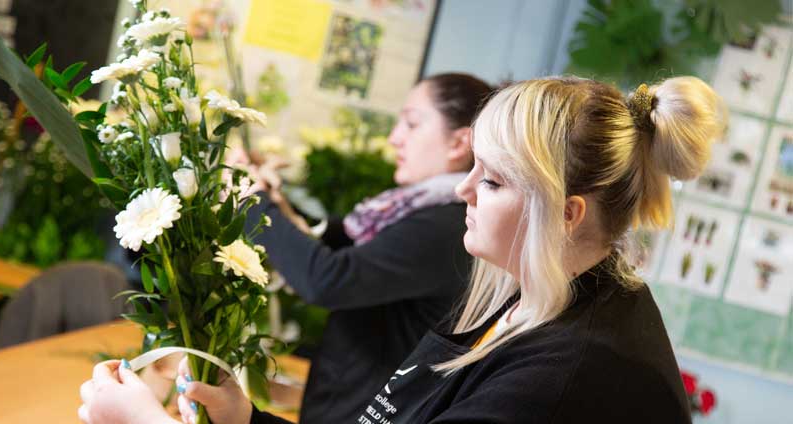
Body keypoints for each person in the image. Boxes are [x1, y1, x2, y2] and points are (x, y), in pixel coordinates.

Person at [79, 75, 727, 424]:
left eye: (493, 180)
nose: (464, 190)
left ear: (565, 214)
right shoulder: (524, 302)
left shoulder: (566, 377)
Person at [78, 73, 494, 424]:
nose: (394, 138)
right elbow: (343, 245)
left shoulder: (448, 224)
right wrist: (271, 201)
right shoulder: (419, 209)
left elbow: (329, 278)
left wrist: (252, 199)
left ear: (459, 143)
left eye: (411, 123)